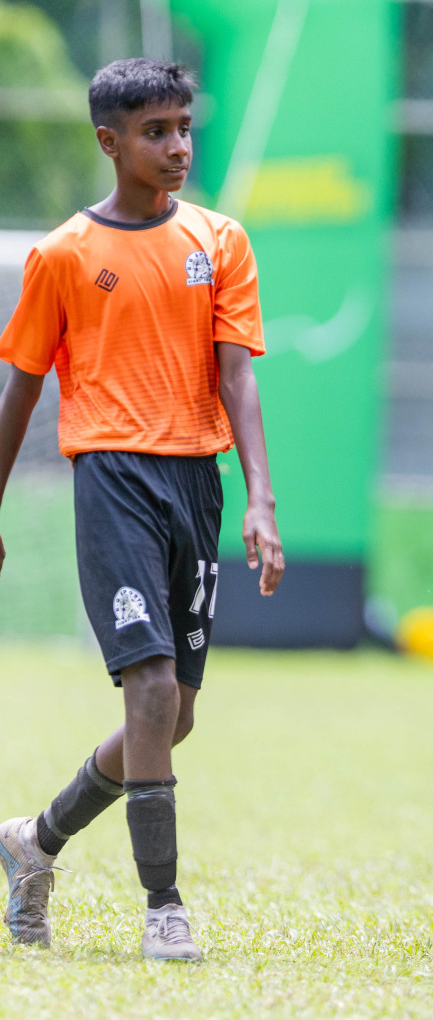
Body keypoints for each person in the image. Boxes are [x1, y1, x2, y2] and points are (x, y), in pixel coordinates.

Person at [0, 58, 284, 961]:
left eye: (183, 127)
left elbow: (238, 377)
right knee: (152, 690)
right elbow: (20, 392)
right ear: (109, 142)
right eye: (155, 131)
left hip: (197, 485)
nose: (175, 146)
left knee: (174, 716)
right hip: (112, 478)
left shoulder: (220, 240)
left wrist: (260, 501)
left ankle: (33, 841)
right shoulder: (62, 255)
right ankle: (165, 909)